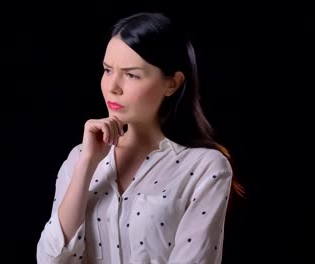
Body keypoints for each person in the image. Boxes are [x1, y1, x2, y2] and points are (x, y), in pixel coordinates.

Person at [36, 11, 244, 264]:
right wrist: (87, 165)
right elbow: (50, 260)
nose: (113, 86)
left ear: (173, 84)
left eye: (132, 74)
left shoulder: (205, 167)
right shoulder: (80, 158)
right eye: (107, 70)